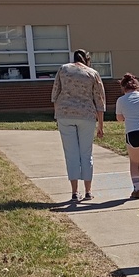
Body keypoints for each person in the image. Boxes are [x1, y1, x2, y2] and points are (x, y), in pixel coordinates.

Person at [51, 49, 105, 202]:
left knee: (71, 154)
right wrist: (101, 125)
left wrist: (58, 115)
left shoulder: (63, 69)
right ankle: (88, 191)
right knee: (86, 154)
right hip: (86, 115)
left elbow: (55, 94)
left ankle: (74, 192)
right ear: (87, 60)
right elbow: (99, 100)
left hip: (65, 114)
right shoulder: (92, 73)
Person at [114, 73, 139, 199]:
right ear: (137, 86)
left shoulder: (121, 100)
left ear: (123, 87)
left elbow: (119, 118)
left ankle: (136, 190)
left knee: (134, 162)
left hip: (132, 131)